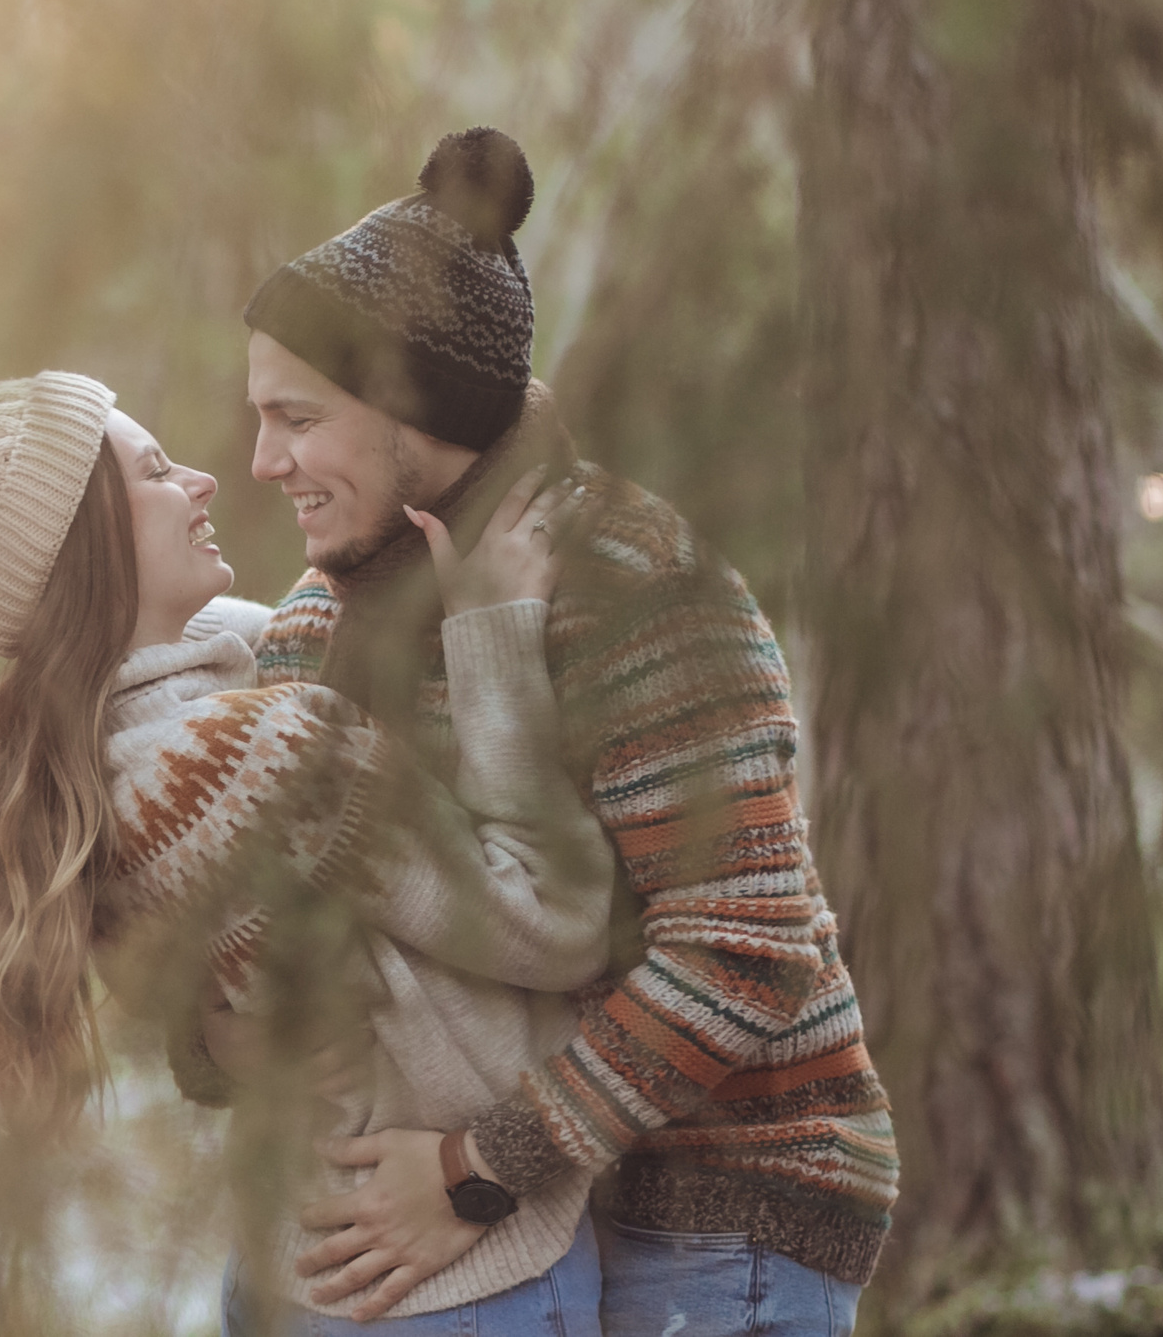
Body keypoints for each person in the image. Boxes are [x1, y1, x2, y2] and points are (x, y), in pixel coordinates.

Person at [0, 372, 613, 1335]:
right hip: (448, 1291)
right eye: (154, 471)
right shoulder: (239, 753)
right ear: (87, 547)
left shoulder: (101, 747)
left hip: (302, 1271)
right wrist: (495, 632)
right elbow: (555, 921)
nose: (203, 480)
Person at [212, 126, 899, 1335]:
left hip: (705, 1209)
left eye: (298, 417)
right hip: (489, 1230)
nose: (264, 461)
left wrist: (476, 1169)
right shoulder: (312, 623)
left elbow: (740, 948)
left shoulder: (634, 589)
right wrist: (222, 1028)